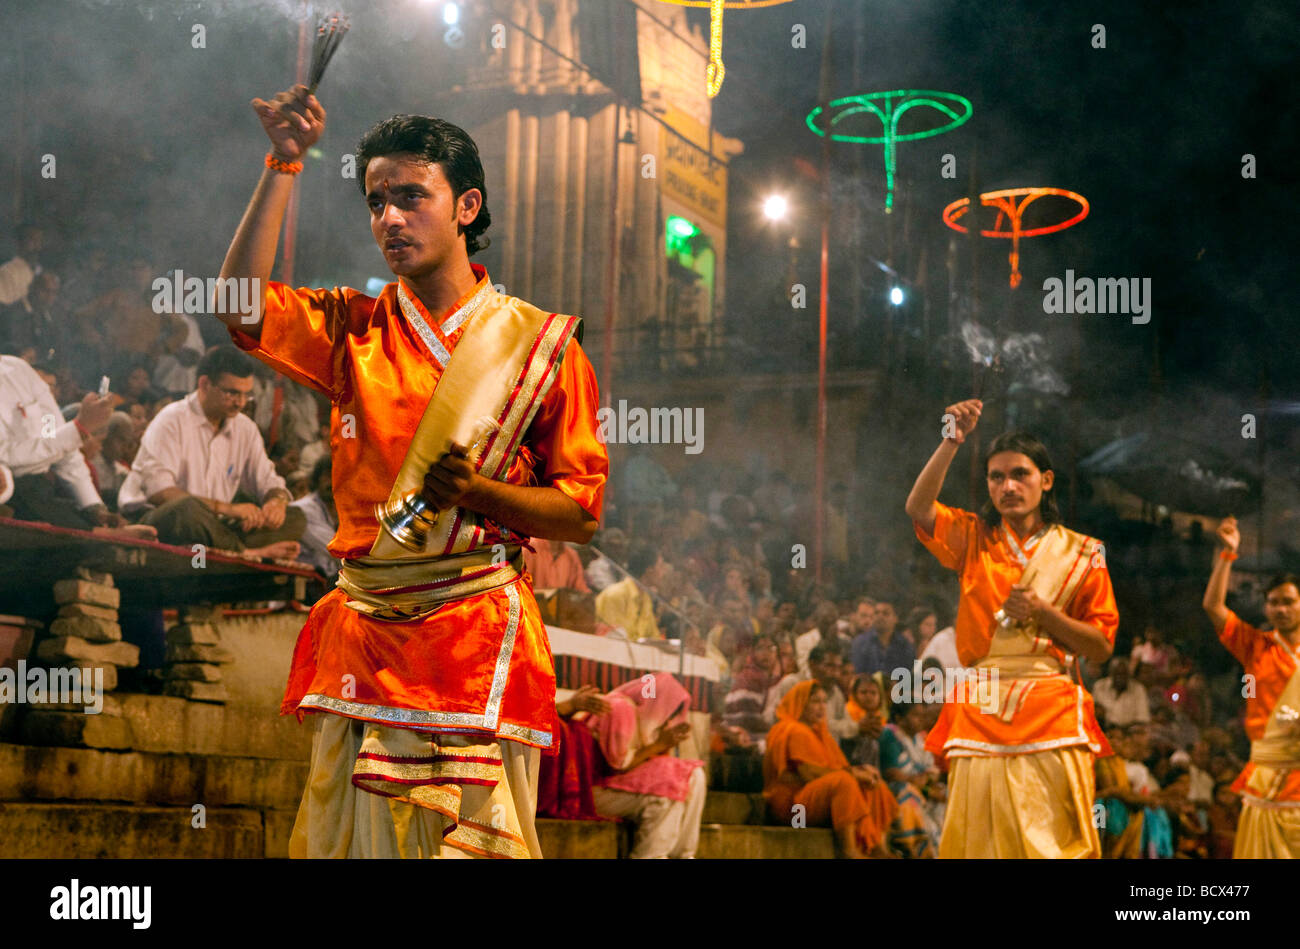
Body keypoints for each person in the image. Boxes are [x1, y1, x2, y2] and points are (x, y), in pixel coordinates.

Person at [214, 87, 607, 858]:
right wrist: (284, 164)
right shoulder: (351, 328)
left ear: (467, 206)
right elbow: (237, 304)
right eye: (375, 202)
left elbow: (579, 513)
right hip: (368, 632)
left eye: (410, 197)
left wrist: (479, 492)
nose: (389, 218)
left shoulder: (544, 347)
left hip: (476, 632)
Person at [904, 399, 1118, 858]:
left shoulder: (1084, 552)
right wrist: (951, 440)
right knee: (978, 839)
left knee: (1054, 841)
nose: (1008, 485)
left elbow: (1100, 647)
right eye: (996, 477)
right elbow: (918, 507)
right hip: (981, 701)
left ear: (1046, 480)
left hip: (1051, 703)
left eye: (1020, 474)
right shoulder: (972, 536)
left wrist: (1045, 613)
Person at [117, 347, 306, 559]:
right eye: (232, 393)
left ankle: (228, 546)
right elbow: (160, 493)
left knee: (296, 517)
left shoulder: (245, 428)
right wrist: (230, 509)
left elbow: (268, 481)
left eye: (246, 395)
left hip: (214, 525)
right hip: (160, 520)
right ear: (205, 384)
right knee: (187, 509)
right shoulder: (171, 419)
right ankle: (245, 552)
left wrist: (276, 503)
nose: (241, 403)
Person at [1202, 515, 1300, 857]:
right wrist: (1226, 554)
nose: (1281, 609)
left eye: (1289, 601)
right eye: (1274, 602)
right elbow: (1213, 607)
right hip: (1266, 778)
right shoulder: (1255, 645)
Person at [0, 353, 154, 539]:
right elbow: (7, 458)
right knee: (22, 491)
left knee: (65, 502)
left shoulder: (19, 370)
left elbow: (53, 438)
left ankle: (99, 529)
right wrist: (80, 428)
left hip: (43, 487)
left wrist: (94, 507)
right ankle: (102, 536)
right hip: (15, 490)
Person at [762, 680, 897, 858]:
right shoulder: (792, 729)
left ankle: (876, 846)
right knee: (844, 782)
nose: (821, 707)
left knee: (874, 784)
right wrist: (852, 774)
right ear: (800, 703)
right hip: (794, 813)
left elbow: (835, 768)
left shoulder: (820, 734)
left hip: (812, 802)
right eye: (815, 701)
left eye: (824, 701)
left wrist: (861, 770)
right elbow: (809, 774)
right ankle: (849, 850)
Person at [582, 674, 706, 859]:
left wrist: (662, 745)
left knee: (694, 775)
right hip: (591, 792)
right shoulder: (620, 708)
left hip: (615, 787)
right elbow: (619, 765)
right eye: (668, 713)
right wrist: (658, 745)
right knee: (666, 793)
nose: (666, 721)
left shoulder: (641, 717)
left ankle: (683, 855)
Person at [594, 542, 662, 641]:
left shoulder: (646, 599)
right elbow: (614, 638)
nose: (663, 571)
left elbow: (654, 638)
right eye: (660, 566)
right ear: (649, 570)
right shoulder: (615, 595)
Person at [290, 455, 339, 579]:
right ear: (317, 479)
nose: (332, 481)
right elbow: (336, 550)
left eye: (338, 475)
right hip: (307, 585)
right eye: (328, 476)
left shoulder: (344, 509)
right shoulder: (303, 510)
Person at [1092, 657, 1151, 727]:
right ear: (1111, 673)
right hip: (1103, 730)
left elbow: (1142, 719)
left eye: (1123, 674)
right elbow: (1092, 713)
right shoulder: (1099, 686)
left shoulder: (1138, 689)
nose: (1120, 678)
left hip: (1129, 733)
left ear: (1129, 675)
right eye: (1117, 674)